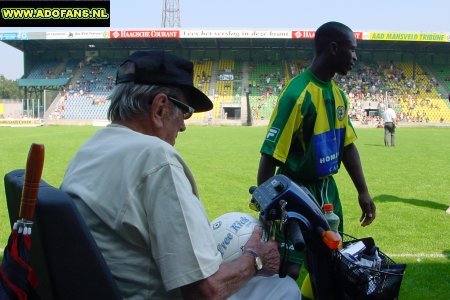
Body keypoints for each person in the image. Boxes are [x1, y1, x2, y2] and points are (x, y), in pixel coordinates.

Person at [61, 51, 300, 300]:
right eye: (185, 112)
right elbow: (205, 292)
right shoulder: (156, 157)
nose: (184, 125)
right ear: (160, 107)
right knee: (285, 289)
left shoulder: (87, 150)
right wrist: (256, 259)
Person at [257, 21, 377, 286]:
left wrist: (363, 191)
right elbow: (270, 154)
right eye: (352, 50)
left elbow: (347, 146)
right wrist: (266, 203)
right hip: (294, 193)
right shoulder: (297, 93)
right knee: (288, 269)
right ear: (334, 48)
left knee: (331, 265)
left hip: (327, 193)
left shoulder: (339, 96)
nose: (356, 57)